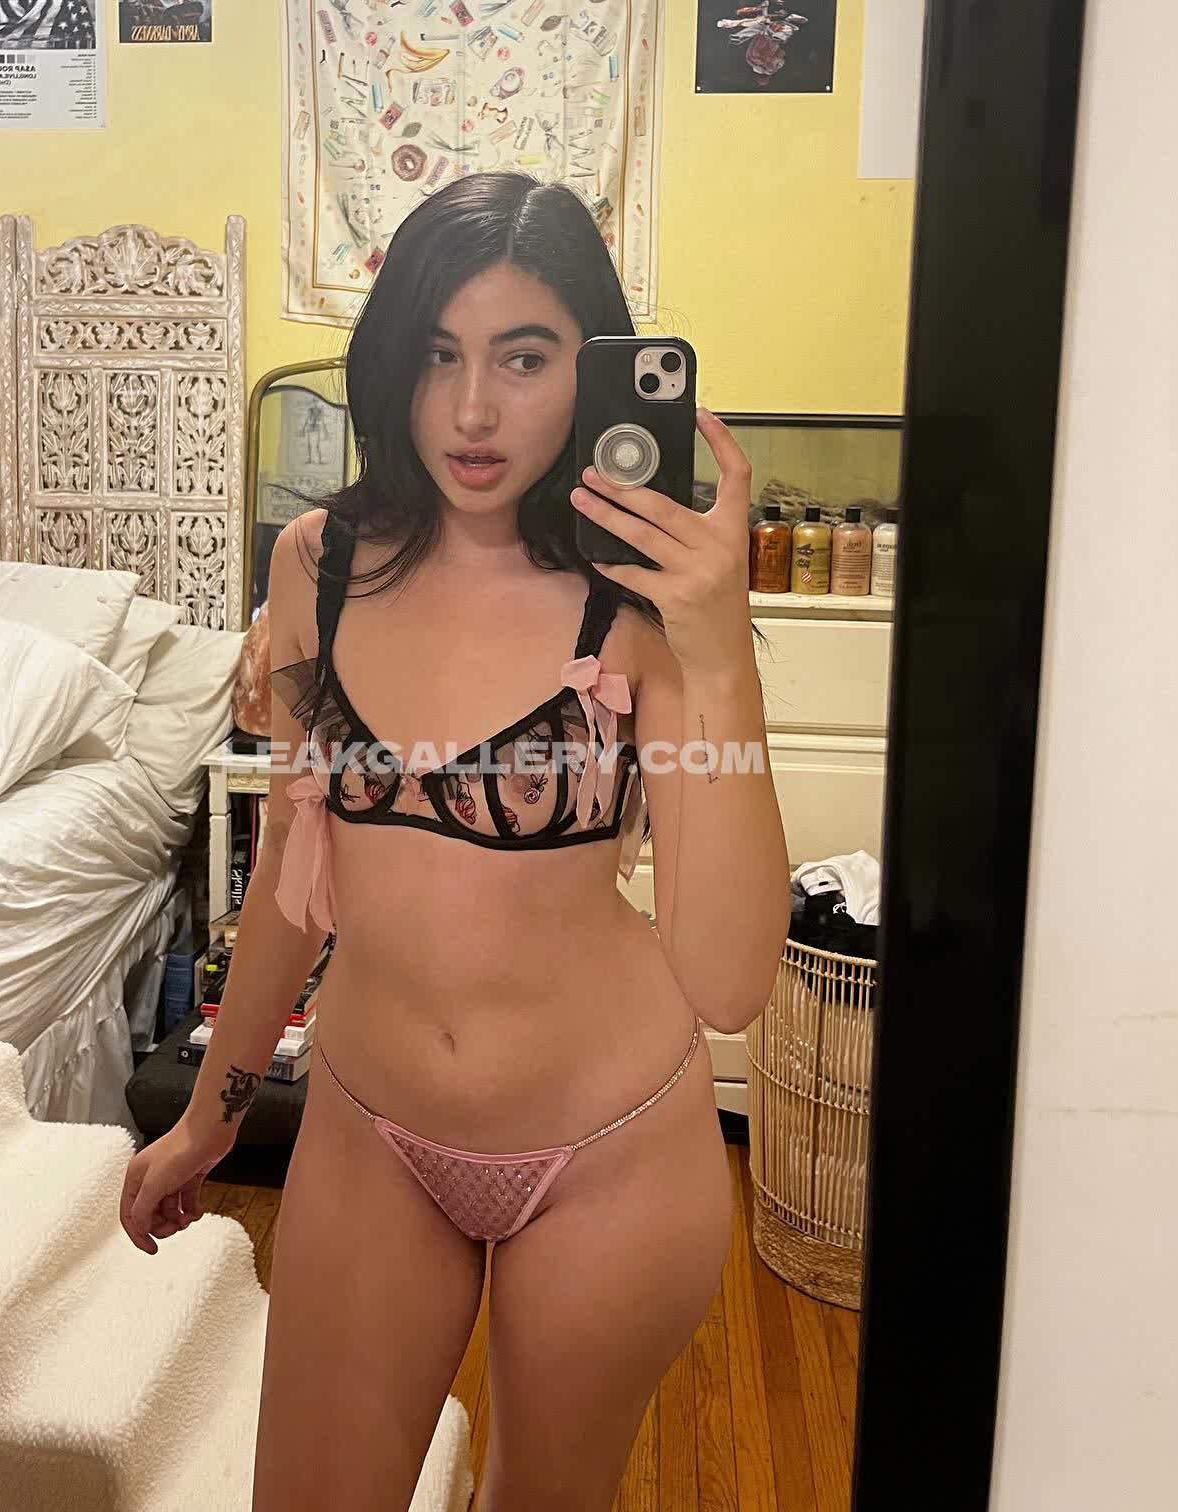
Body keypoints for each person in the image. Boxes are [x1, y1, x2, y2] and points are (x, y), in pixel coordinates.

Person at [120, 172, 790, 1511]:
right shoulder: (322, 564)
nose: (472, 411)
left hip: (609, 1151)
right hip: (370, 1130)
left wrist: (719, 654)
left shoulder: (646, 598)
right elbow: (297, 869)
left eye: (523, 358)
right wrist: (210, 1114)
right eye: (437, 355)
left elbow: (726, 984)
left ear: (591, 366)